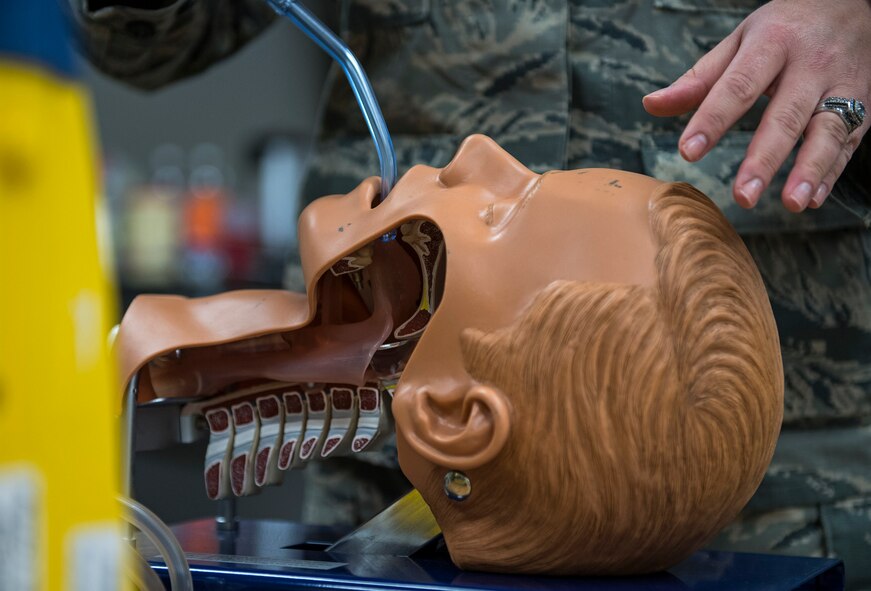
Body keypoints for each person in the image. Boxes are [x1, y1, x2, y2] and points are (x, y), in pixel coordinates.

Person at [68, 0, 871, 587]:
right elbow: (147, 42)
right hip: (379, 458)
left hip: (788, 466)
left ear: (451, 415)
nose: (476, 149)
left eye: (499, 208)